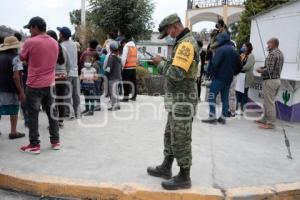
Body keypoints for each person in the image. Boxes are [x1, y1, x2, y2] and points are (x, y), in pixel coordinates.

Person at [147, 14, 199, 190]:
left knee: (181, 138)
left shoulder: (186, 45)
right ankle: (166, 167)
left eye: (168, 32)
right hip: (177, 100)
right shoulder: (181, 42)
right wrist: (164, 62)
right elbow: (177, 68)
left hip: (183, 101)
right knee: (170, 135)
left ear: (174, 27)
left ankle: (185, 176)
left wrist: (160, 63)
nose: (168, 36)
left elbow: (176, 74)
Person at [20, 16, 60, 154]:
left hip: (34, 85)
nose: (29, 31)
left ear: (35, 27)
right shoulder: (54, 42)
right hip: (50, 84)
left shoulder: (30, 42)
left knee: (33, 115)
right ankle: (55, 141)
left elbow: (21, 57)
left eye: (30, 28)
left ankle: (34, 145)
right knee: (52, 113)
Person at [201, 32, 240, 124]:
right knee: (225, 98)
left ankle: (212, 117)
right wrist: (232, 73)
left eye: (218, 39)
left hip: (219, 78)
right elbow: (239, 66)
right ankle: (223, 118)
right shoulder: (234, 51)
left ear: (221, 39)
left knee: (211, 96)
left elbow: (215, 64)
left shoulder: (221, 50)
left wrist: (210, 74)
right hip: (228, 78)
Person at [0, 36, 26, 139]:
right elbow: (16, 76)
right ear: (15, 47)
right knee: (14, 109)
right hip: (10, 88)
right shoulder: (16, 58)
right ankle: (13, 132)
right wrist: (21, 92)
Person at [256, 38, 284, 129]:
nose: (267, 45)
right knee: (267, 102)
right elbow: (271, 67)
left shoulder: (272, 54)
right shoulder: (280, 53)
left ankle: (270, 123)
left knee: (269, 103)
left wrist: (260, 70)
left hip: (270, 81)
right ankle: (264, 119)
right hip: (276, 80)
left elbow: (269, 70)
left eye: (268, 43)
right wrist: (263, 67)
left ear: (272, 44)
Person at [47, 30, 70, 129]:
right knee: (61, 99)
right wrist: (65, 74)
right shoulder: (63, 48)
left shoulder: (48, 48)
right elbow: (69, 64)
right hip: (63, 78)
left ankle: (53, 122)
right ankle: (61, 121)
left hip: (52, 78)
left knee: (52, 101)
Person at [57, 26, 81, 119]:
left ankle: (67, 113)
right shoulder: (74, 44)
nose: (59, 34)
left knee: (67, 93)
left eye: (59, 33)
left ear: (62, 35)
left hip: (67, 72)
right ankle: (77, 112)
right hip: (75, 72)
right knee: (76, 94)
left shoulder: (62, 46)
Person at [236, 42, 255, 114]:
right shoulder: (242, 55)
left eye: (244, 46)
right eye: (242, 46)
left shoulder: (251, 56)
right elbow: (238, 63)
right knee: (238, 93)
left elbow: (248, 66)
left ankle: (243, 109)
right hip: (240, 77)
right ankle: (237, 108)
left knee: (244, 93)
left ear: (248, 47)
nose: (243, 47)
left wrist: (238, 69)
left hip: (246, 77)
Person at [105, 41, 122, 111]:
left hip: (112, 77)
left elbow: (108, 69)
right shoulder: (119, 58)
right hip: (118, 77)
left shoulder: (111, 57)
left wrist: (106, 74)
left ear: (111, 49)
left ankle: (114, 105)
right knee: (116, 91)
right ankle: (118, 104)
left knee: (113, 92)